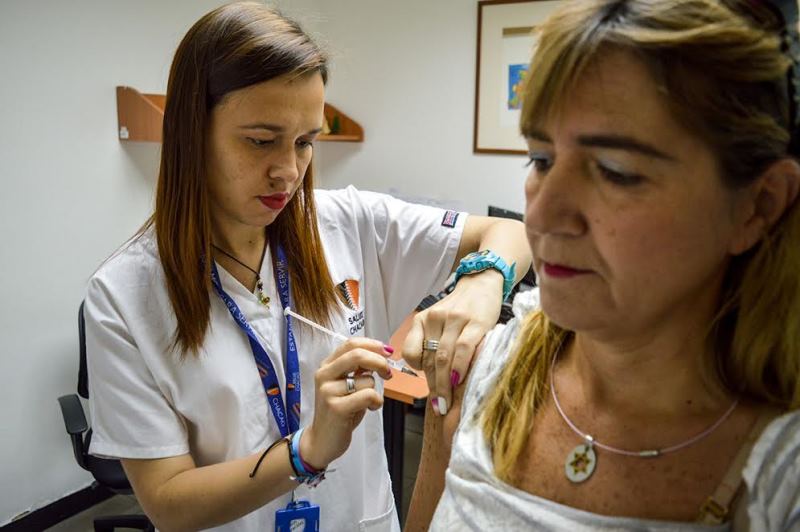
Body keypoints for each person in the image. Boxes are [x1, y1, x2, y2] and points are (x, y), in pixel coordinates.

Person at [83, 3, 530, 531]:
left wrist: (480, 285)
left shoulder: (351, 222)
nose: (288, 171)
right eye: (260, 141)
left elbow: (512, 233)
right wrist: (307, 451)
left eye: (305, 142)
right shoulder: (123, 295)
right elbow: (168, 503)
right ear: (192, 131)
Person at [407, 0, 800, 530]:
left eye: (616, 172)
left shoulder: (779, 471)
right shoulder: (482, 371)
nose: (543, 214)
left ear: (758, 205)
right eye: (541, 160)